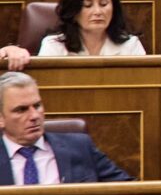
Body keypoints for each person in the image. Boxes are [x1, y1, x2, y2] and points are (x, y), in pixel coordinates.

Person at [0, 75, 132, 184]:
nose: (34, 116)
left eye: (37, 106)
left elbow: (128, 192)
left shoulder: (80, 147)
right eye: (21, 110)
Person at [37, 0, 146, 57]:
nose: (97, 12)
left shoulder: (131, 45)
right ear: (74, 12)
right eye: (88, 5)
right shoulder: (53, 46)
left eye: (103, 4)